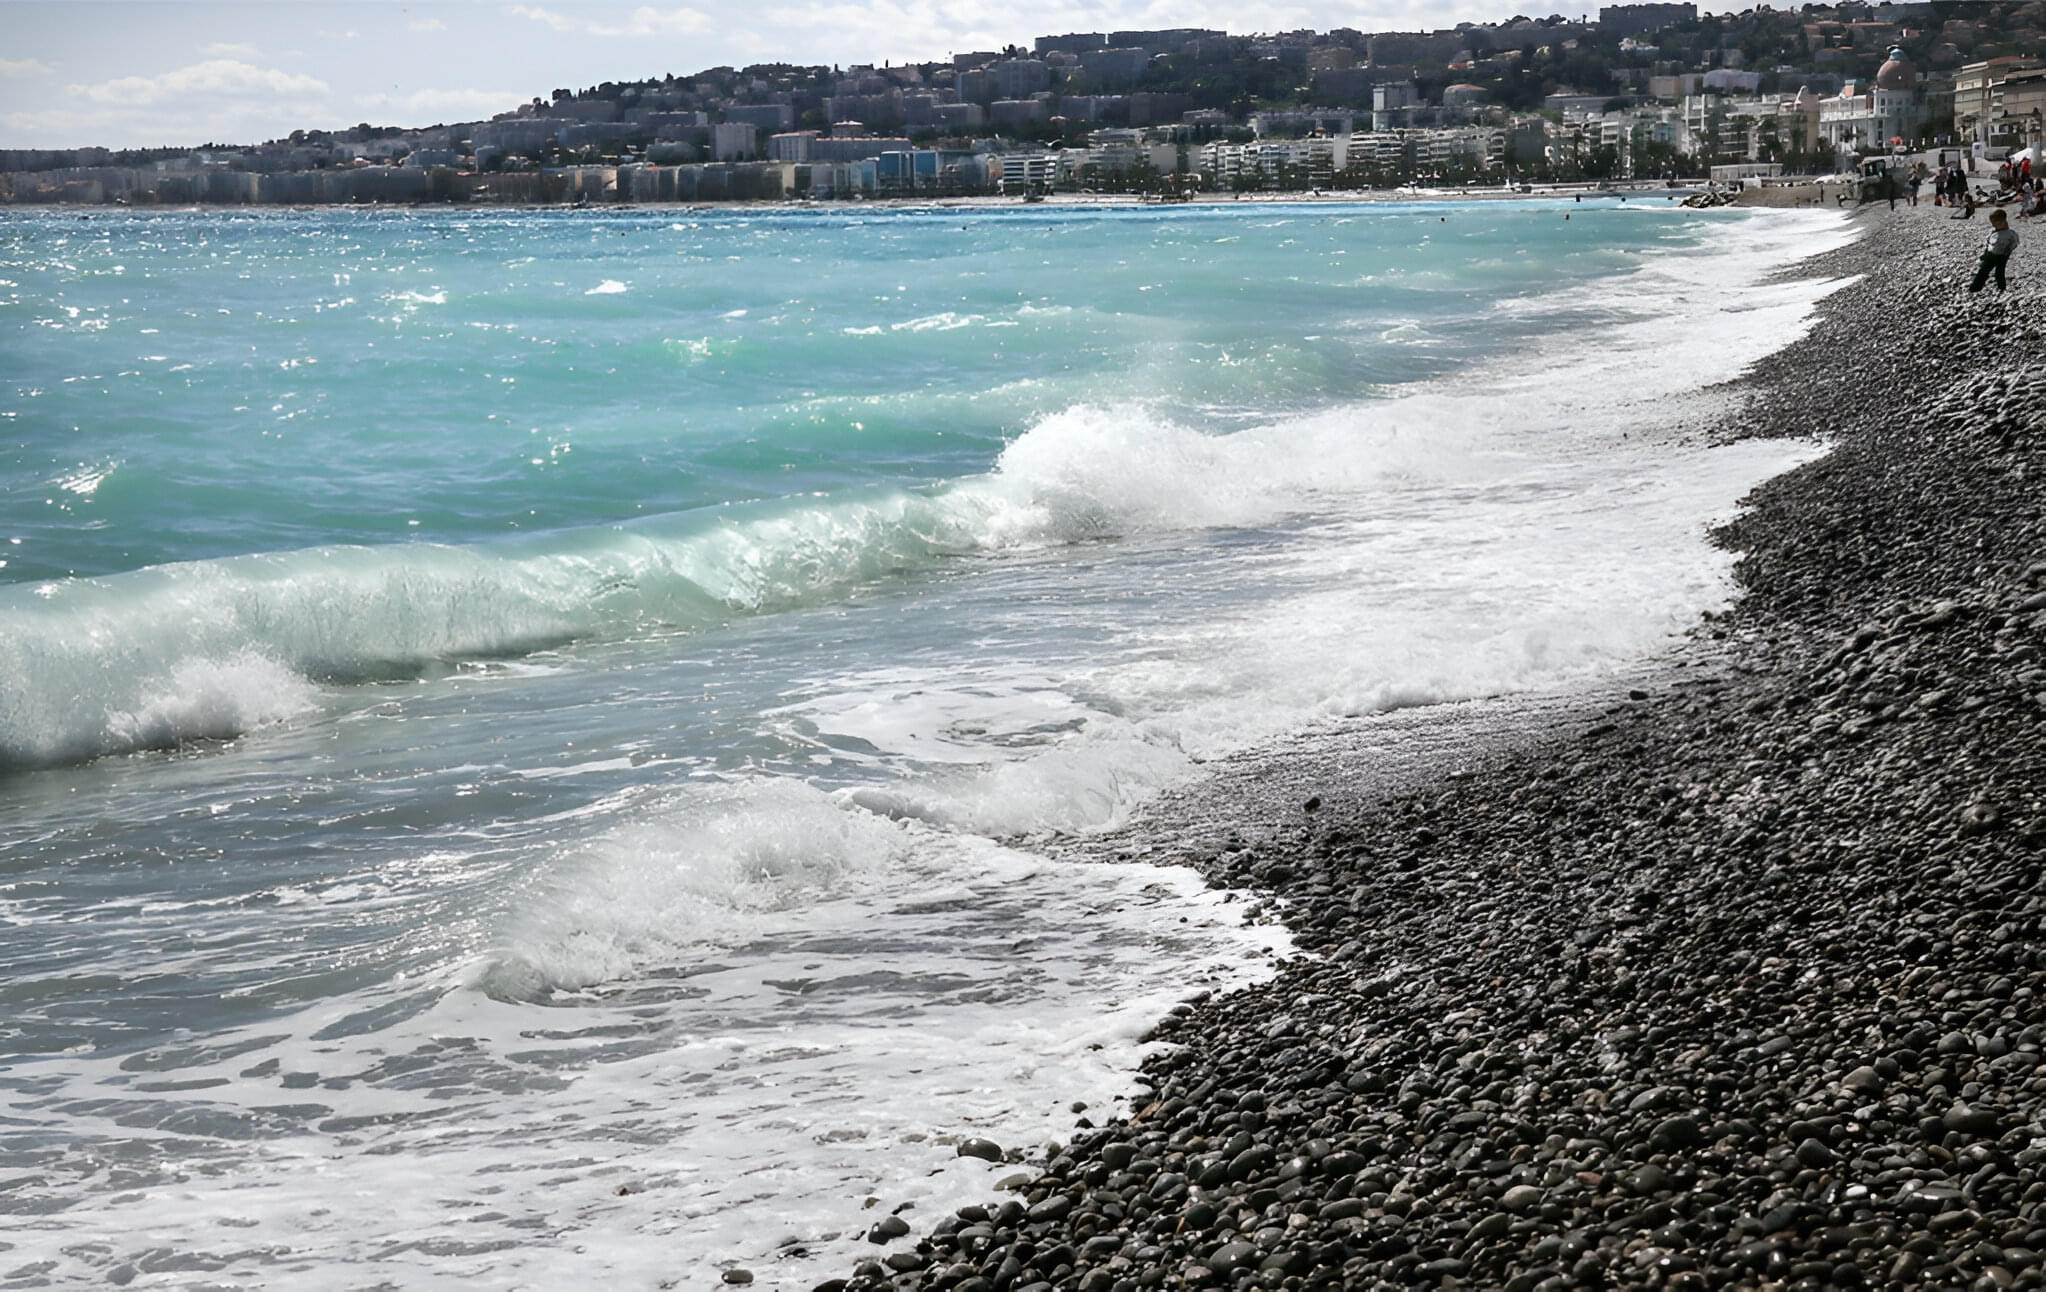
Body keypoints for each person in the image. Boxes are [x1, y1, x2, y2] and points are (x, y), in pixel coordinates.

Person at [1970, 208, 2018, 293]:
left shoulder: (2010, 233)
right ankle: (1975, 288)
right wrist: (1985, 252)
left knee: (1999, 272)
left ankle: (2001, 287)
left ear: (2004, 221)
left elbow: (2014, 243)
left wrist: (2009, 249)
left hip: (2003, 255)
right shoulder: (1993, 232)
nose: (1995, 225)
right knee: (1983, 270)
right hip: (1991, 254)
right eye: (1993, 224)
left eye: (1997, 223)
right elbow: (1989, 243)